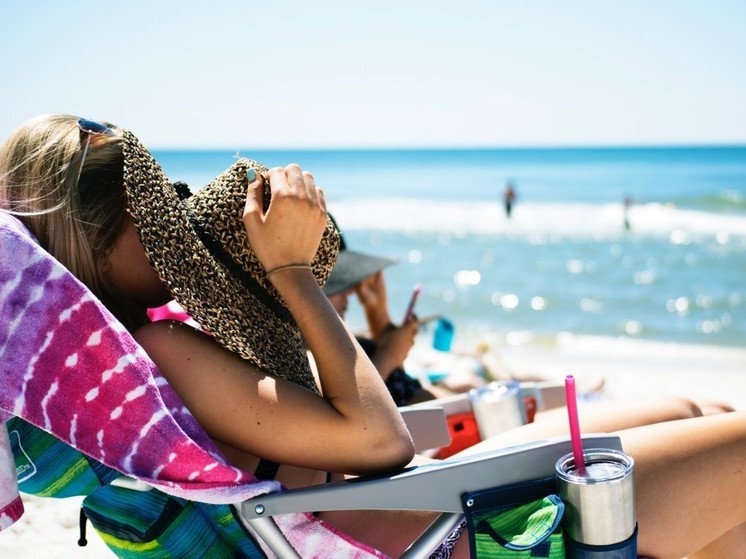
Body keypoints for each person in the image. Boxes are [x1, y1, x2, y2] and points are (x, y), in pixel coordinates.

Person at [1, 115, 745, 559]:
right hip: (440, 532)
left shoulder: (115, 391)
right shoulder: (158, 355)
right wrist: (294, 271)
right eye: (148, 204)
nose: (170, 211)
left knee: (691, 411)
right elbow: (377, 441)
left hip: (406, 504)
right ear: (95, 240)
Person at [322, 216, 475, 405]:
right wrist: (389, 354)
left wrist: (377, 310)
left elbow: (393, 383)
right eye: (336, 282)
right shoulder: (311, 362)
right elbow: (355, 405)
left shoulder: (337, 346)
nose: (350, 290)